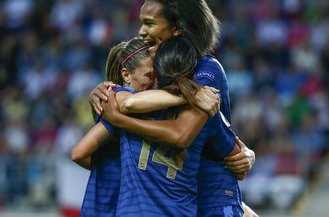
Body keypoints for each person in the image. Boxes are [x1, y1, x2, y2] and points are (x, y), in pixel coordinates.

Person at [88, 0, 257, 216]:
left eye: (149, 23)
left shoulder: (206, 70)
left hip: (212, 200)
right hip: (175, 200)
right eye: (141, 23)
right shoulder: (155, 75)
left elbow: (182, 134)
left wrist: (120, 117)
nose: (141, 31)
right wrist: (102, 92)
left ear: (177, 28)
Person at [72, 37, 219, 216]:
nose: (154, 83)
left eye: (157, 76)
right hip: (106, 206)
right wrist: (192, 94)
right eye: (149, 76)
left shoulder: (152, 108)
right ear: (126, 75)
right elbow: (78, 153)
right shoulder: (119, 99)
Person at [100, 36, 245, 216]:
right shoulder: (206, 106)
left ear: (159, 75)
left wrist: (120, 120)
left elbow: (80, 154)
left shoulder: (126, 104)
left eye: (152, 75)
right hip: (201, 204)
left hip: (197, 203)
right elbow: (238, 161)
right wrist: (191, 93)